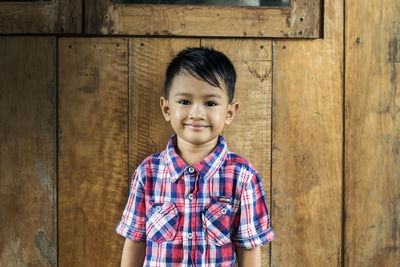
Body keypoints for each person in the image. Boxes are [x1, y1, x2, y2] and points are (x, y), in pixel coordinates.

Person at [115, 47, 274, 266]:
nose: (197, 113)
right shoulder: (148, 172)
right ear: (167, 108)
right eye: (185, 102)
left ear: (229, 113)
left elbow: (249, 249)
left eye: (210, 103)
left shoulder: (243, 177)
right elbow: (135, 242)